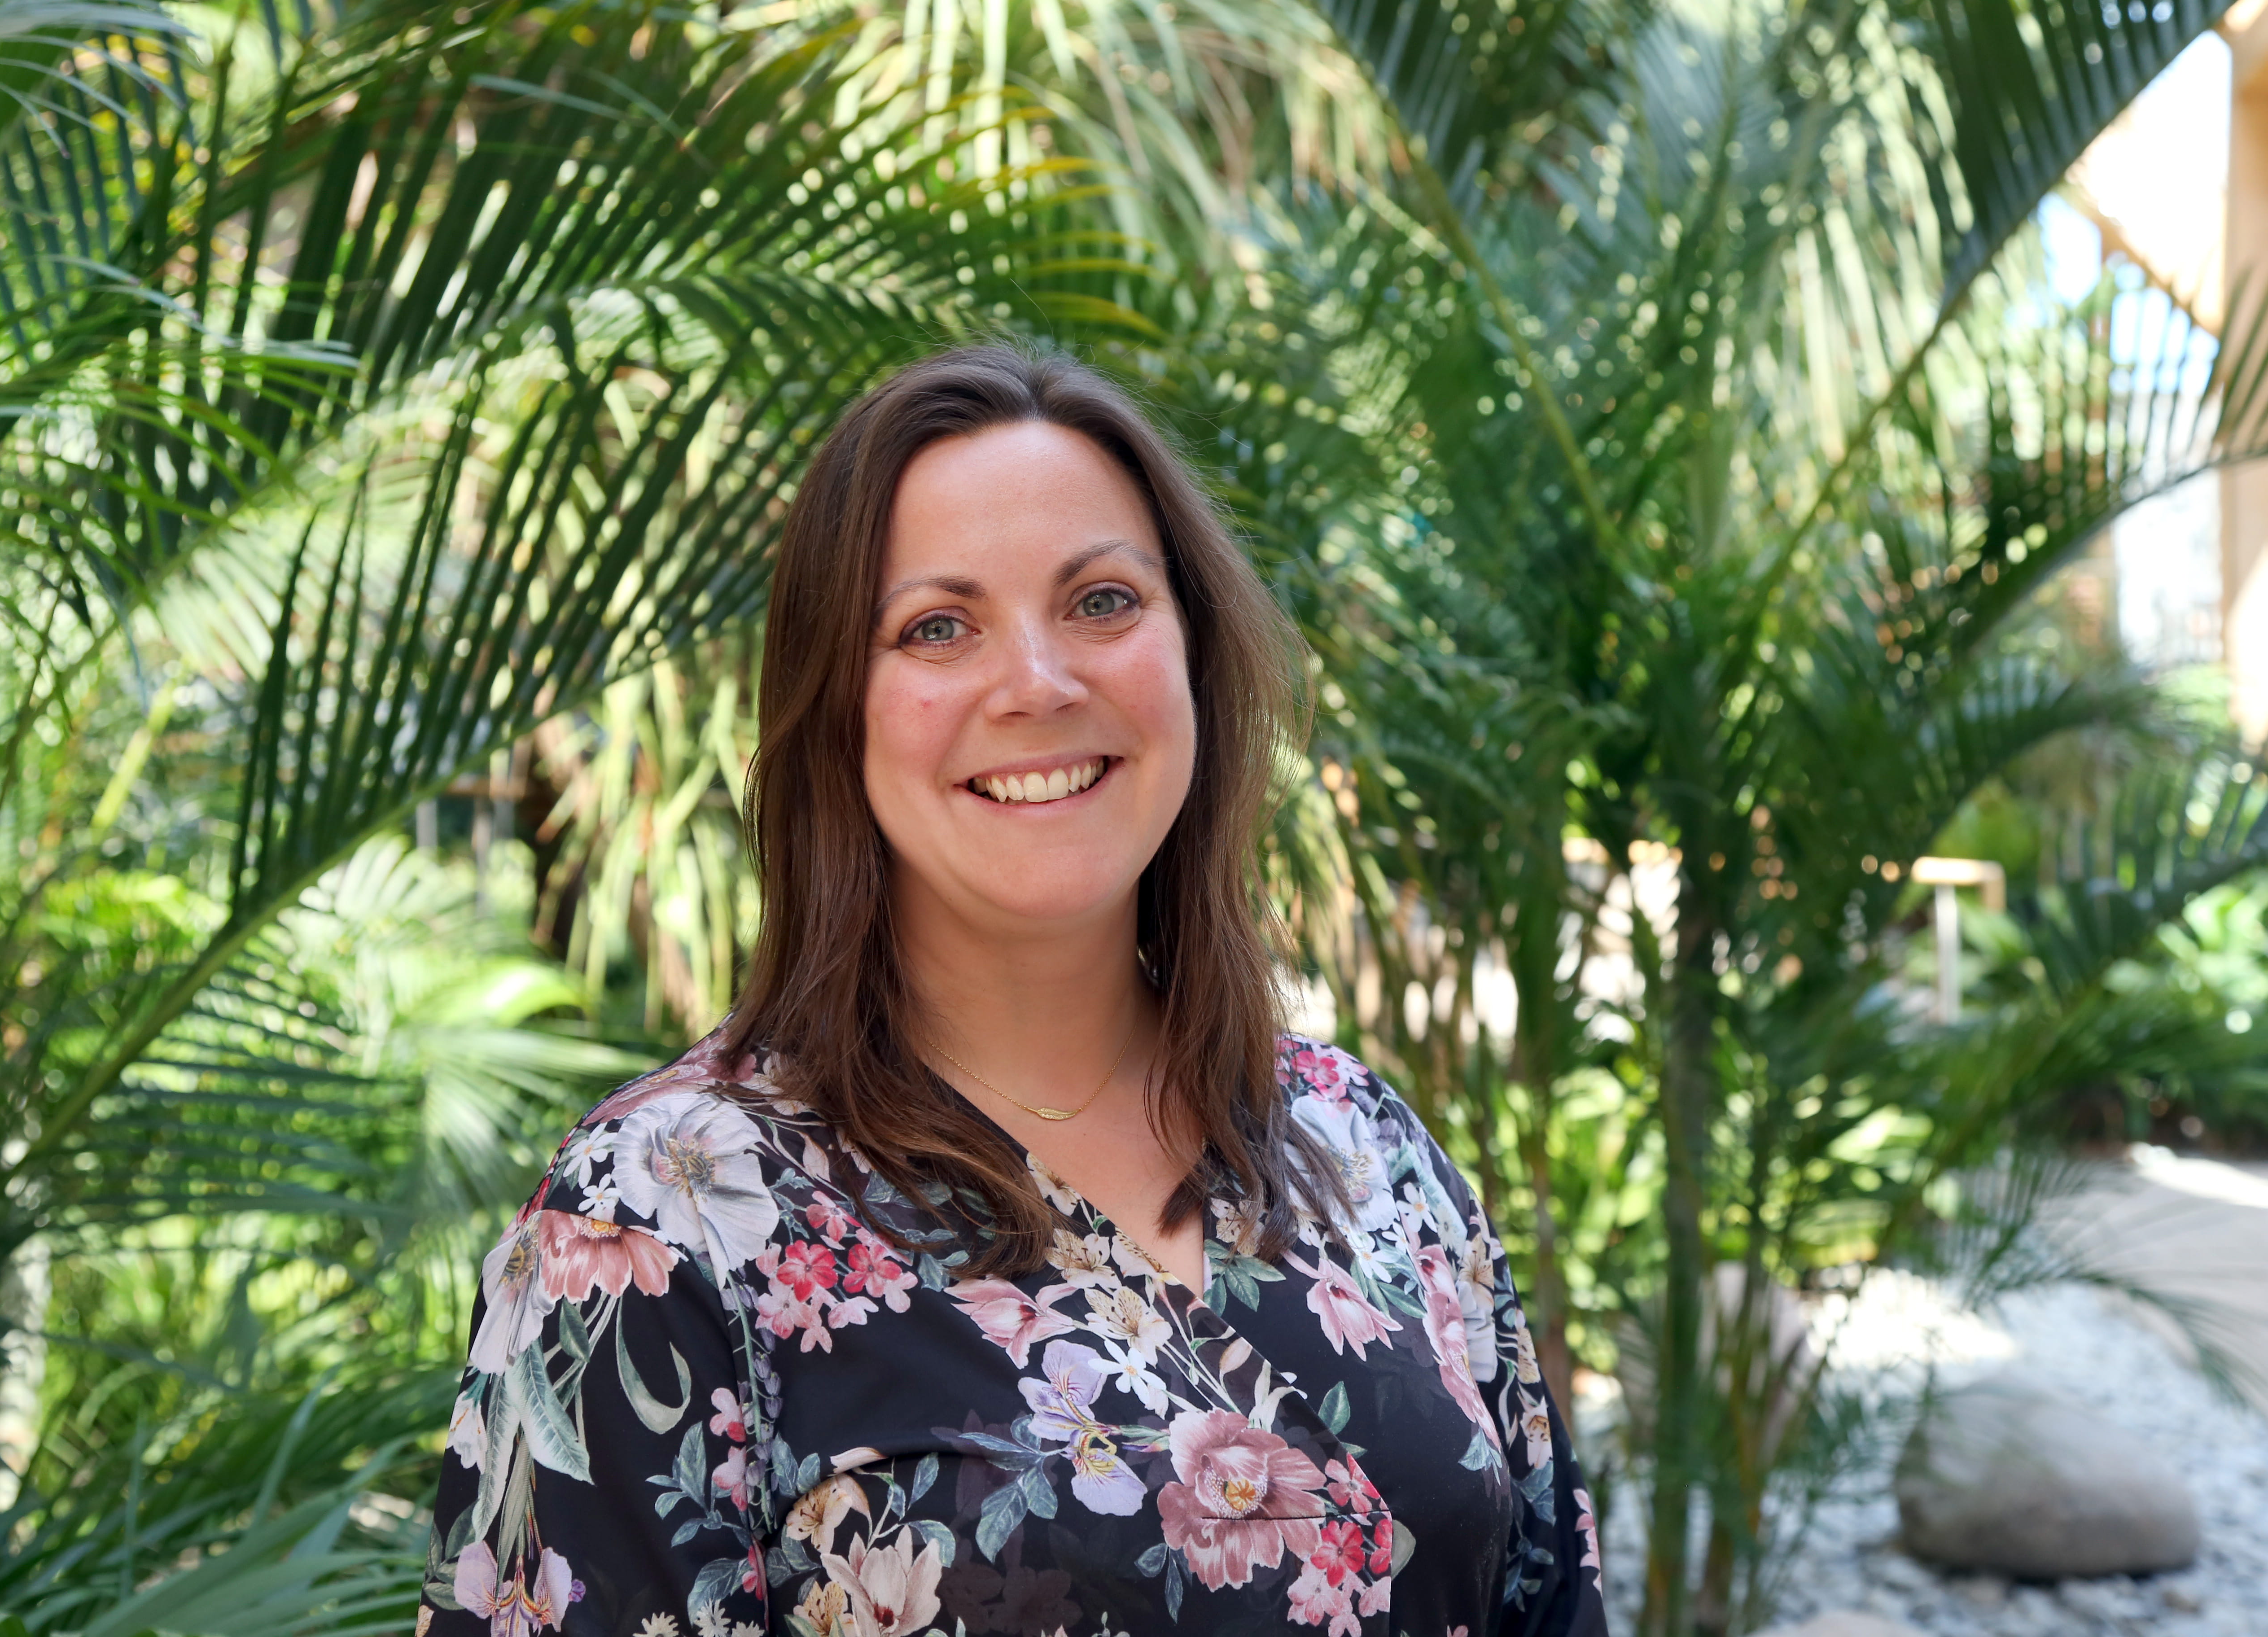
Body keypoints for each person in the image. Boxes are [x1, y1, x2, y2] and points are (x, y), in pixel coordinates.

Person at [416, 346, 1606, 1637]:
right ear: (837, 710)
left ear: (1193, 655)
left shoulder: (1360, 1145)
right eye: (939, 626)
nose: (1039, 683)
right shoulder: (659, 1226)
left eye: (1102, 602)